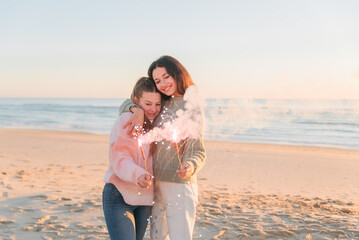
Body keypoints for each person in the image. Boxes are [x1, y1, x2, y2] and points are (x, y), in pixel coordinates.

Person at [119, 56, 206, 240]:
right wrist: (137, 110)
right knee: (157, 236)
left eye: (166, 77)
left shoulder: (192, 105)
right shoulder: (161, 102)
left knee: (180, 236)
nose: (163, 84)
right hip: (155, 182)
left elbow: (197, 149)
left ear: (177, 73)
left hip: (180, 184)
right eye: (157, 80)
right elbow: (126, 104)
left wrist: (190, 165)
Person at [103, 77, 162, 240]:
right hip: (119, 194)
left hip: (144, 200)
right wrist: (137, 173)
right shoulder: (127, 120)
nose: (153, 109)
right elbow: (120, 157)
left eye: (157, 104)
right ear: (136, 101)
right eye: (148, 104)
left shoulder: (157, 123)